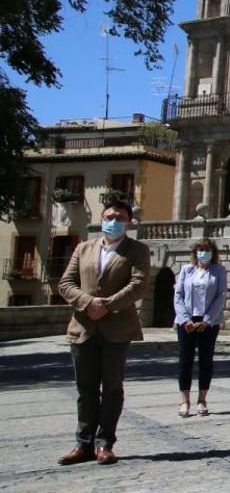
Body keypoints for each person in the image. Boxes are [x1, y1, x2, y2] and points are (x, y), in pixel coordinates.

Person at [56, 199, 150, 465]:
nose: (113, 221)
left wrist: (106, 305)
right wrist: (89, 303)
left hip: (116, 329)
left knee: (112, 387)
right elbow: (65, 283)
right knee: (85, 389)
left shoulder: (137, 250)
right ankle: (83, 443)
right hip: (83, 327)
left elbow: (139, 285)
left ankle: (105, 443)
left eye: (119, 217)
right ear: (102, 218)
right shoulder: (83, 248)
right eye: (109, 216)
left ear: (129, 222)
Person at [173, 238, 228, 417]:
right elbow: (178, 295)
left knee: (206, 360)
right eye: (200, 250)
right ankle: (184, 400)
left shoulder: (219, 270)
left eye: (207, 250)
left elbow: (221, 296)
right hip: (186, 321)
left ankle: (202, 400)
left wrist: (207, 320)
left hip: (208, 322)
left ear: (213, 253)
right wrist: (184, 319)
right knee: (185, 361)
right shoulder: (186, 270)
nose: (203, 253)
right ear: (195, 252)